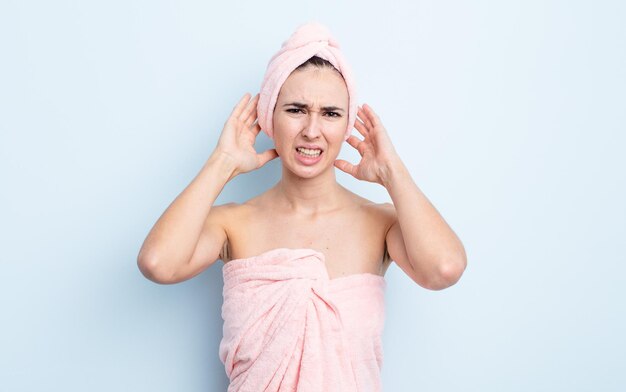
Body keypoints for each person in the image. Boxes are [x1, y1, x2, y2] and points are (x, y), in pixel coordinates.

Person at [137, 22, 466, 391]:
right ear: (269, 118)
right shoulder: (233, 223)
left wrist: (394, 173)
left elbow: (444, 269)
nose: (312, 130)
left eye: (330, 114)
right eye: (296, 109)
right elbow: (157, 263)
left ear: (346, 126)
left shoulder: (381, 223)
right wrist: (222, 163)